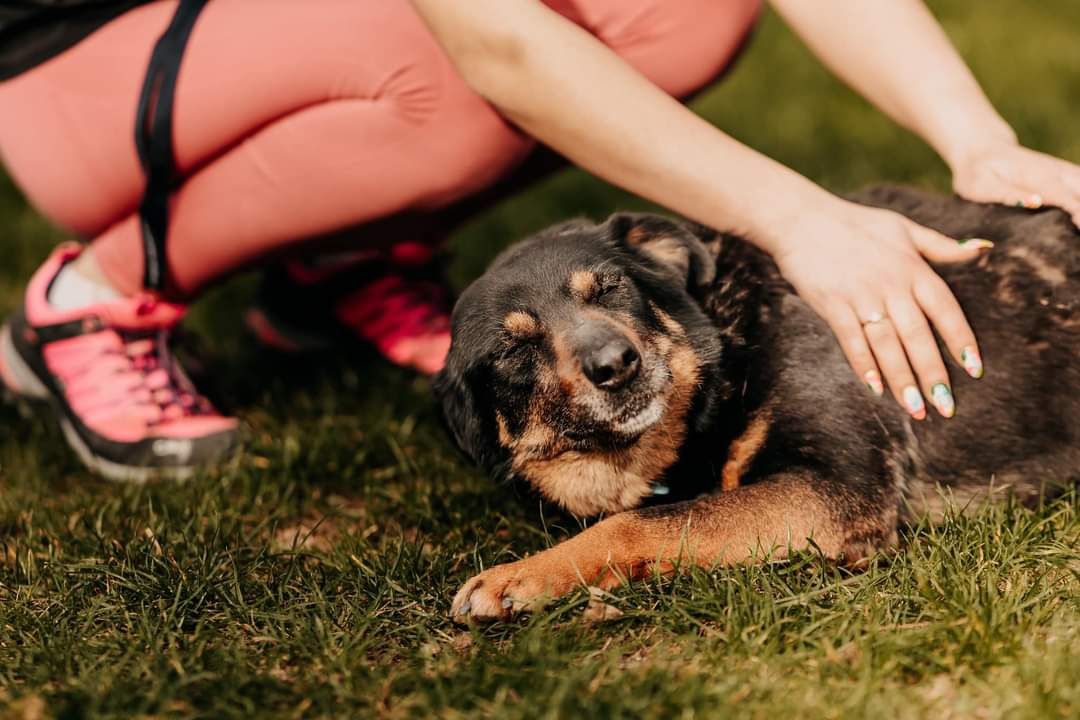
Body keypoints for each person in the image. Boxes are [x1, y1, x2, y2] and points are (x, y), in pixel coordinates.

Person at [1, 0, 1078, 481]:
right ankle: (96, 297)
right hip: (81, 62)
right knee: (455, 74)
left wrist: (976, 142)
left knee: (688, 8)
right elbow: (503, 46)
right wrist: (798, 217)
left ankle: (336, 260)